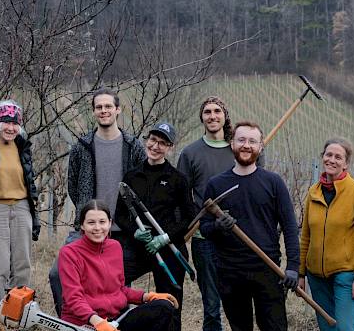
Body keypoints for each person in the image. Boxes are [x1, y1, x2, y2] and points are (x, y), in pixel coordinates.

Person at [48, 87, 146, 315]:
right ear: (93, 111)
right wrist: (88, 215)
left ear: (118, 110)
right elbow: (73, 185)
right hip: (87, 228)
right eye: (99, 107)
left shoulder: (133, 146)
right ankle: (71, 323)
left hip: (123, 231)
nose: (104, 111)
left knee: (120, 286)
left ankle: (113, 324)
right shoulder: (82, 147)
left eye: (108, 106)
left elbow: (142, 186)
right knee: (56, 274)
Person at [199, 121, 299, 331]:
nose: (246, 145)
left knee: (275, 327)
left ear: (260, 147)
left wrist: (292, 267)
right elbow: (204, 228)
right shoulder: (216, 184)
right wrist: (218, 225)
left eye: (252, 141)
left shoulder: (273, 182)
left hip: (267, 269)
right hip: (230, 272)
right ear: (232, 144)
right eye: (241, 140)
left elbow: (290, 227)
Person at [114, 122, 196, 331]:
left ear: (170, 148)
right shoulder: (132, 176)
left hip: (168, 248)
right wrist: (135, 232)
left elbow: (190, 217)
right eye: (153, 140)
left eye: (162, 143)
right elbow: (119, 215)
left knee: (171, 303)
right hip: (138, 247)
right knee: (112, 284)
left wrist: (166, 237)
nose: (155, 146)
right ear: (146, 141)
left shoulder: (178, 179)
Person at [59, 200, 180, 331]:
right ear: (82, 225)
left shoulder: (115, 247)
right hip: (84, 323)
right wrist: (98, 322)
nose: (97, 228)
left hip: (115, 321)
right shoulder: (70, 253)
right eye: (91, 222)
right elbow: (73, 298)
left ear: (110, 223)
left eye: (102, 222)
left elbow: (120, 289)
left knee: (164, 307)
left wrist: (148, 296)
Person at [298, 138, 354, 331]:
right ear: (322, 157)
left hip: (346, 274)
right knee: (327, 327)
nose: (332, 160)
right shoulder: (313, 192)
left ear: (346, 163)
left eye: (338, 157)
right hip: (316, 275)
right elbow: (306, 236)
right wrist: (301, 273)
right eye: (329, 155)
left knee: (345, 327)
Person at [176, 96, 234, 331]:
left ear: (225, 116)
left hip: (237, 236)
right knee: (211, 305)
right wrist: (195, 220)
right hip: (204, 238)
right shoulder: (190, 153)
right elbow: (181, 196)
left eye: (217, 111)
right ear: (202, 117)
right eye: (207, 112)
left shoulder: (239, 149)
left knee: (239, 301)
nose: (212, 116)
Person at [0, 100, 40, 306]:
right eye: (6, 122)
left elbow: (28, 178)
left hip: (22, 206)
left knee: (22, 263)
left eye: (15, 123)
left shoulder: (23, 146)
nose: (11, 128)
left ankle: (18, 308)